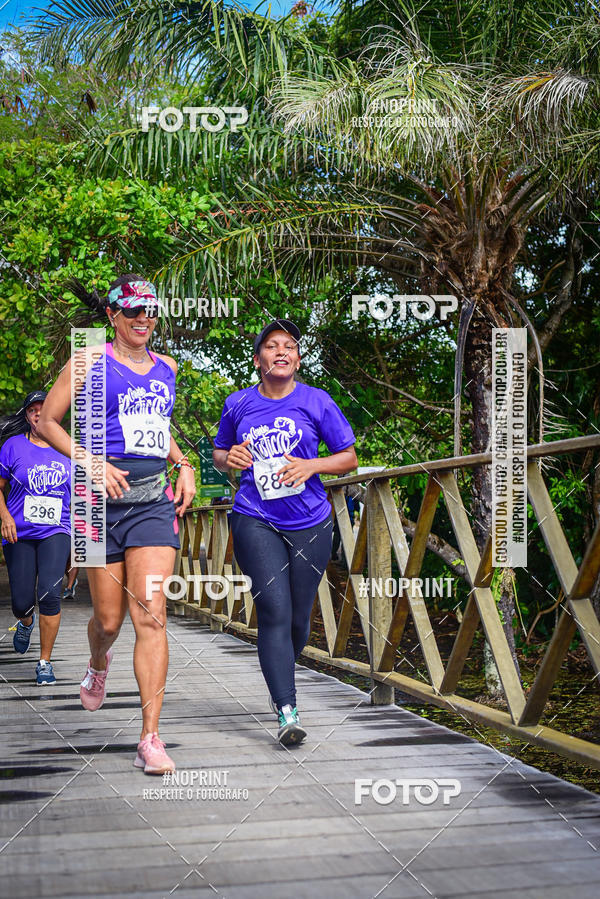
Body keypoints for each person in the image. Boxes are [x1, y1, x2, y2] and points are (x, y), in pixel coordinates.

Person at [38, 274, 196, 775]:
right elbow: (48, 422)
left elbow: (154, 425)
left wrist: (184, 462)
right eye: (132, 311)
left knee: (151, 614)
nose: (143, 318)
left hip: (151, 501)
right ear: (111, 316)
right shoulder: (88, 357)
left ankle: (150, 738)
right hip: (95, 501)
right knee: (108, 621)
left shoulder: (166, 367)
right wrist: (91, 463)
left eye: (150, 309)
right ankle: (98, 660)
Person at [213, 319, 357, 746]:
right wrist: (230, 457)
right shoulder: (238, 403)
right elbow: (221, 454)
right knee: (274, 609)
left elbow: (347, 458)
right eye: (272, 346)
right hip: (255, 517)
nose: (282, 351)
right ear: (258, 360)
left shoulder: (317, 401)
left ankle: (280, 674)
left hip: (311, 520)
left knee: (298, 617)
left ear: (298, 358)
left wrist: (311, 465)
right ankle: (287, 709)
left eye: (290, 346)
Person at [0, 390, 71, 685]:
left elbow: (85, 497)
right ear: (27, 415)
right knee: (21, 602)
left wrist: (81, 547)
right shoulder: (12, 446)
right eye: (32, 410)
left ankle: (44, 662)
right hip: (19, 532)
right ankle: (25, 622)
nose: (39, 414)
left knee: (50, 594)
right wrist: (4, 516)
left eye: (45, 408)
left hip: (57, 529)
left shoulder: (69, 447)